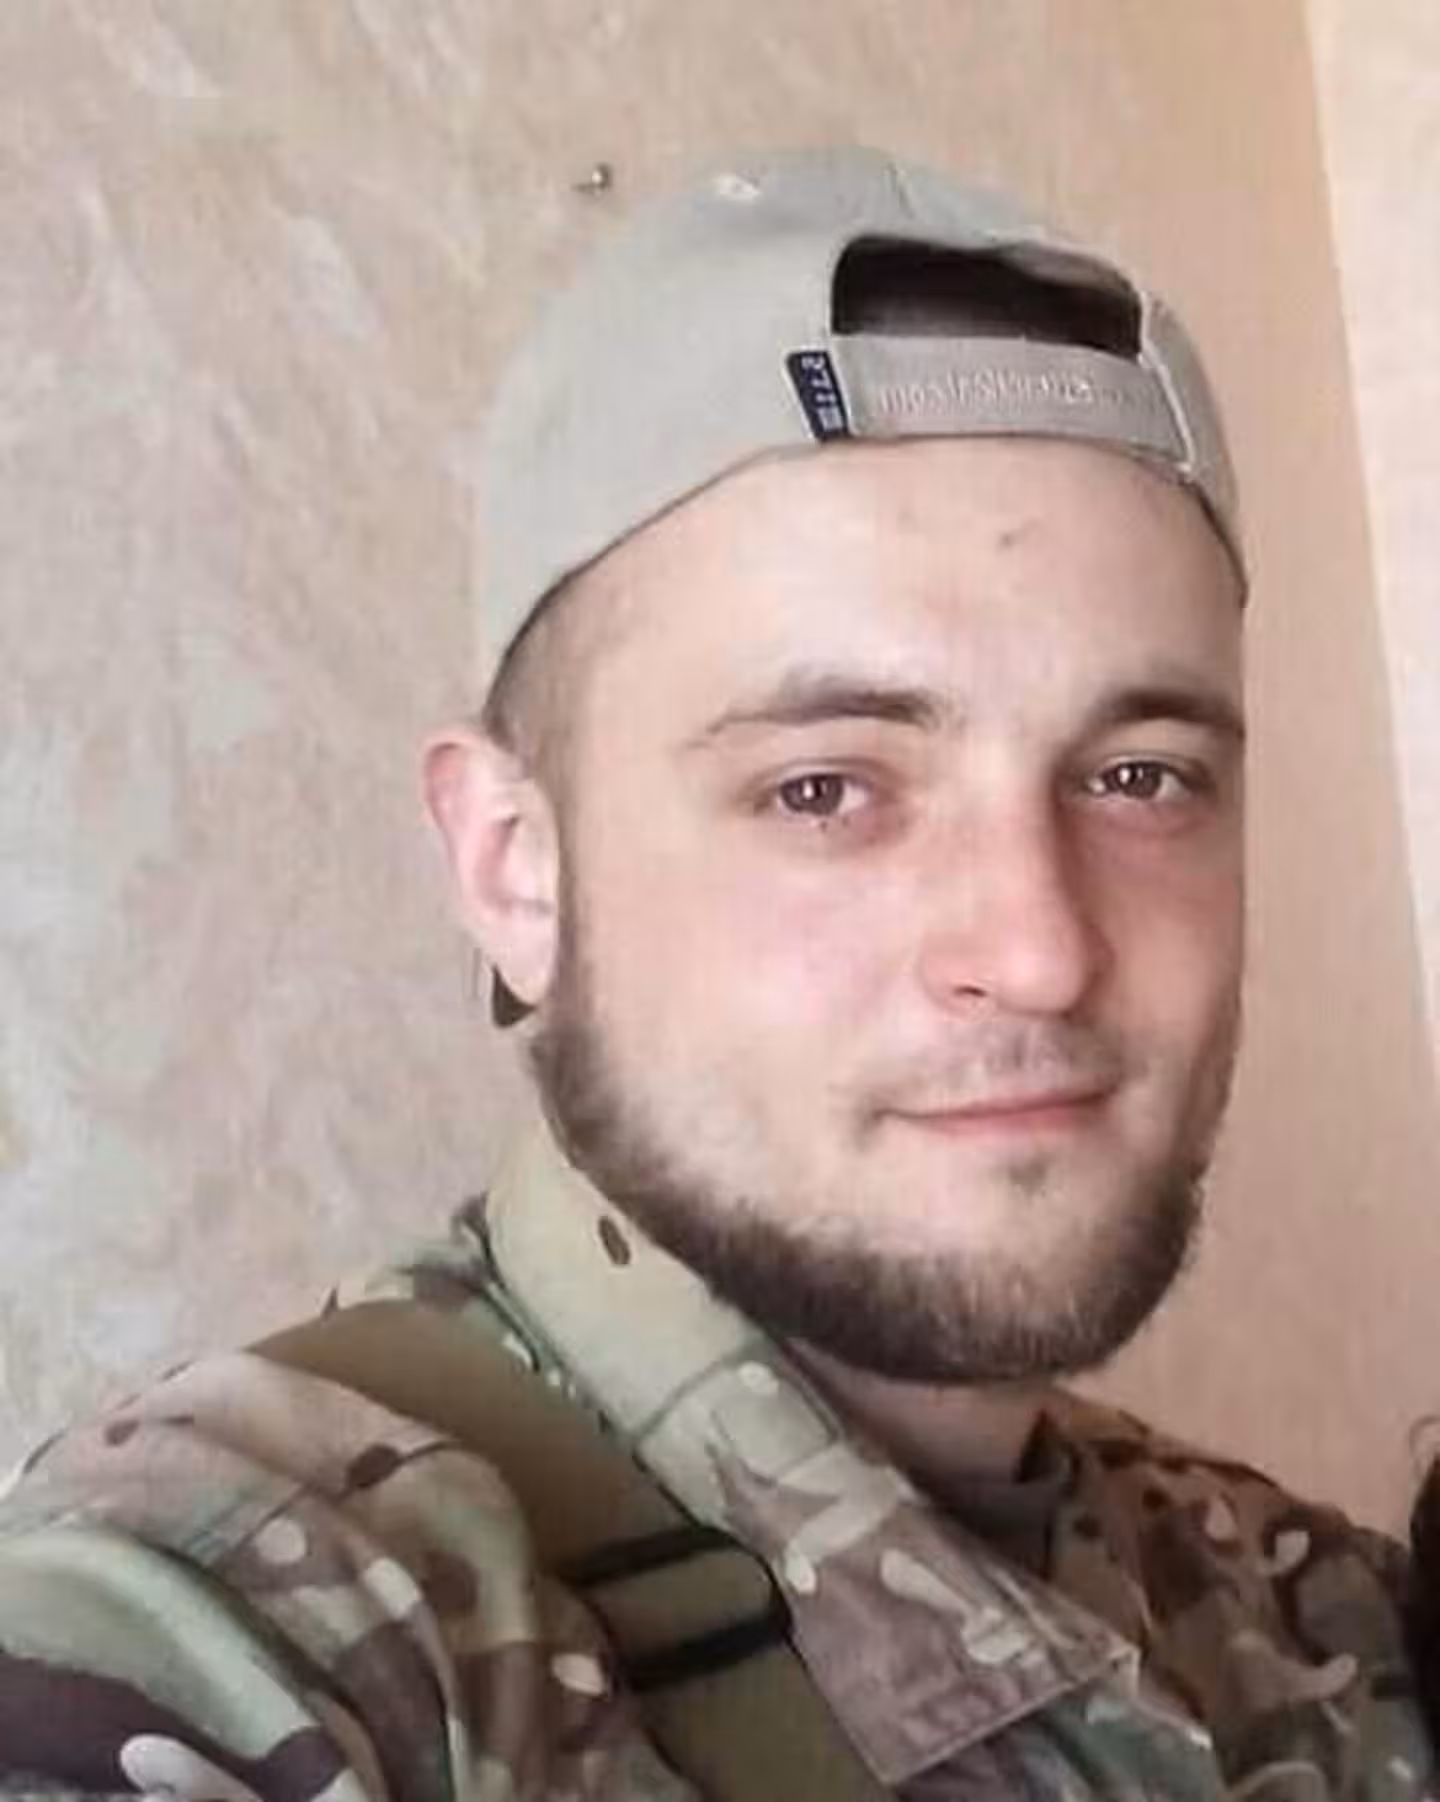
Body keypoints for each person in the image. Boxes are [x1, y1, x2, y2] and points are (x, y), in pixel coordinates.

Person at [0, 147, 1428, 1799]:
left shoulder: (1304, 1611)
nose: (1040, 949)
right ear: (515, 867)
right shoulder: (239, 1628)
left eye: (1139, 776)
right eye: (823, 789)